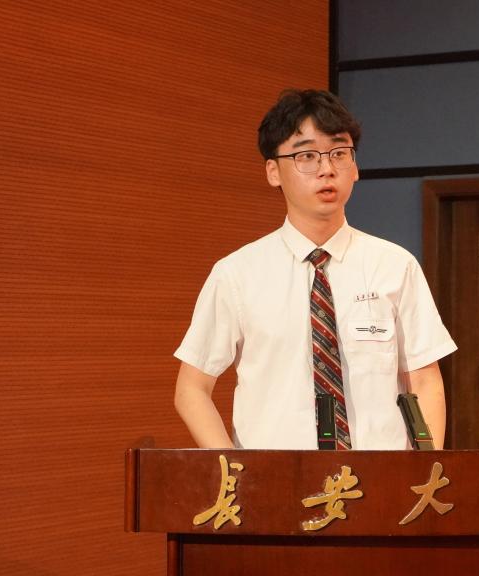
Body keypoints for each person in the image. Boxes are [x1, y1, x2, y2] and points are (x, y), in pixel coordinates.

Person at [173, 89, 456, 450]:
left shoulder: (396, 266)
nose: (327, 169)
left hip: (381, 476)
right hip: (275, 478)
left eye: (339, 153)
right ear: (273, 171)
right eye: (307, 155)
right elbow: (191, 389)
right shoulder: (236, 274)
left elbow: (425, 380)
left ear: (355, 167)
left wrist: (425, 468)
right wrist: (235, 471)